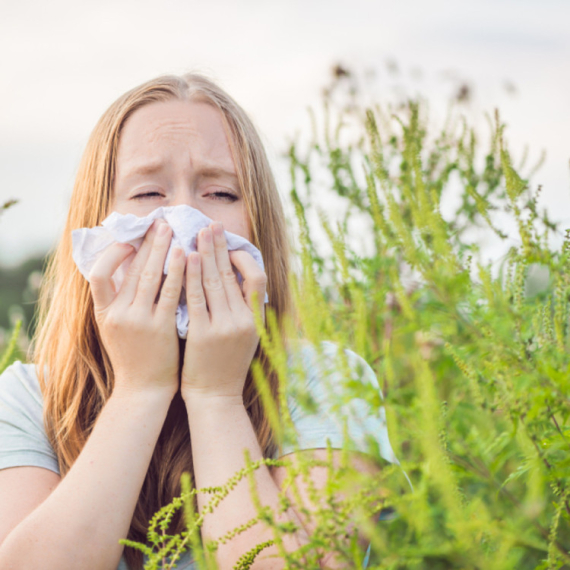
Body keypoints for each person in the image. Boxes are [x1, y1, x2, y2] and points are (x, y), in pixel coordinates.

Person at [0, 73, 399, 570]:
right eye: (148, 193)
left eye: (221, 194)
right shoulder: (28, 400)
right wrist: (139, 390)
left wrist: (216, 397)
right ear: (96, 224)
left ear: (259, 224)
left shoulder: (327, 382)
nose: (184, 215)